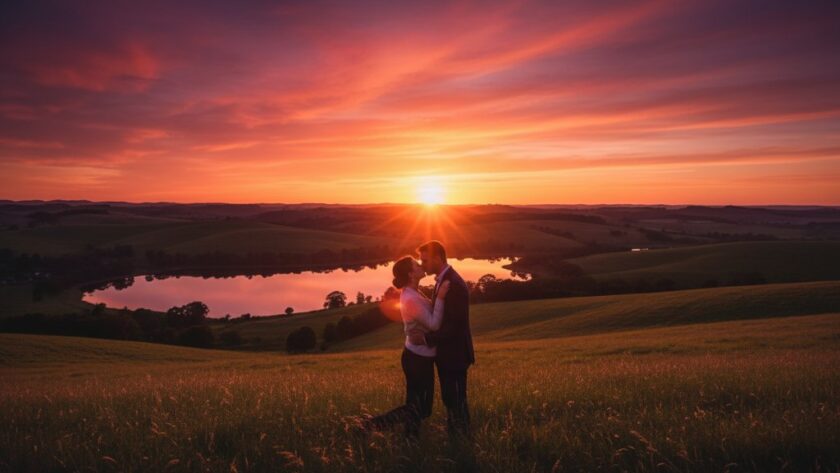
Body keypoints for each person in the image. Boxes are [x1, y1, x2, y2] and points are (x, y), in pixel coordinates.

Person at [366, 255, 450, 437]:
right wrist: (442, 297)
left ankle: (410, 439)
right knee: (422, 408)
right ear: (411, 274)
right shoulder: (410, 298)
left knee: (416, 406)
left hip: (417, 357)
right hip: (417, 359)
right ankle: (372, 425)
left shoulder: (414, 292)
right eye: (416, 264)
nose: (421, 265)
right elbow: (434, 324)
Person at [408, 240, 474, 438]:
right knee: (451, 400)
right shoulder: (442, 280)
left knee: (457, 401)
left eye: (425, 260)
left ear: (437, 258)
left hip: (455, 356)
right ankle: (456, 438)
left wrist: (426, 339)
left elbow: (455, 327)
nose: (423, 265)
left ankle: (462, 440)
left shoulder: (454, 284)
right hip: (448, 355)